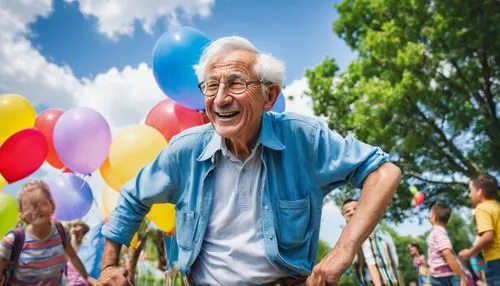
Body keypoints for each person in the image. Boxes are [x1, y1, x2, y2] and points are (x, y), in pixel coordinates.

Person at [97, 36, 401, 285]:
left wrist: (343, 251)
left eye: (236, 83)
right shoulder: (185, 150)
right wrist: (109, 265)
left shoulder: (302, 138)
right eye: (212, 85)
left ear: (269, 97)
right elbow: (133, 196)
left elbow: (383, 172)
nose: (220, 99)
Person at [0, 180, 95, 285]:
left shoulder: (61, 231)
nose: (37, 209)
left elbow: (72, 256)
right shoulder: (13, 240)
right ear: (22, 215)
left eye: (42, 202)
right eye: (30, 205)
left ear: (52, 205)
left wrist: (86, 277)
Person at [342, 199, 402, 286]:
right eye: (347, 211)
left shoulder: (372, 233)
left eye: (356, 208)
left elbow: (372, 263)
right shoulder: (349, 239)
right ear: (344, 216)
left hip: (385, 280)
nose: (352, 212)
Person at [459, 174, 500, 286]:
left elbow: (488, 236)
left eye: (470, 191)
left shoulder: (481, 208)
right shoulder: (497, 206)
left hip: (495, 261)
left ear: (480, 192)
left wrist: (470, 252)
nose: (469, 195)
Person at [426, 202, 469, 286]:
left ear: (433, 216)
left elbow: (448, 255)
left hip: (443, 278)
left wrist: (461, 276)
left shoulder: (438, 233)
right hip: (439, 277)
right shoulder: (438, 232)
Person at [67, 220, 91, 286]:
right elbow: (73, 252)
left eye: (83, 231)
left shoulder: (84, 243)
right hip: (71, 268)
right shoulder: (68, 238)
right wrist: (73, 235)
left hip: (80, 267)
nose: (80, 232)